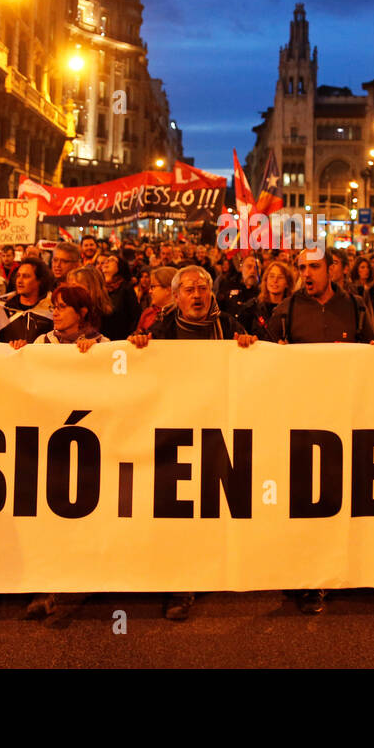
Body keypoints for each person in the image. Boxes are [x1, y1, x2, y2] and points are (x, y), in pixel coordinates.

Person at [124, 264, 256, 622]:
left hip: (220, 429)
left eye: (202, 289)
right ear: (176, 296)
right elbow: (141, 372)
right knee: (178, 508)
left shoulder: (229, 326)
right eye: (188, 290)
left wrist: (249, 347)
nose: (196, 296)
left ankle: (216, 568)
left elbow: (257, 365)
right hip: (176, 432)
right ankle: (179, 584)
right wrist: (139, 347)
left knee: (215, 505)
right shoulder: (162, 331)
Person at [266, 248, 374, 614]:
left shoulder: (357, 307)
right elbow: (262, 356)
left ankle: (341, 571)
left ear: (333, 269)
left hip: (346, 420)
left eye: (314, 267)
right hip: (302, 422)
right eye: (301, 267)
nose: (306, 273)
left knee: (339, 497)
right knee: (304, 499)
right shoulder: (289, 310)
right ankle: (307, 581)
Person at [0, 257, 55, 344]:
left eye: (26, 276)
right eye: (18, 276)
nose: (19, 281)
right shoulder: (3, 306)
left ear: (40, 280)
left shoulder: (52, 308)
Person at [28, 284, 109, 350]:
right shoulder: (42, 342)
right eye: (54, 307)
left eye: (62, 307)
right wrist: (21, 350)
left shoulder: (102, 343)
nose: (55, 313)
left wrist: (96, 350)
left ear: (82, 312)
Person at [240, 260, 295, 341]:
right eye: (271, 276)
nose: (275, 280)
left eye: (280, 277)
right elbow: (241, 332)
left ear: (287, 283)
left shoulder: (293, 309)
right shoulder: (252, 306)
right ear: (266, 280)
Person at [97, 252, 140, 339]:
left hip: (120, 341)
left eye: (112, 260)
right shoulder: (98, 287)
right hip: (100, 342)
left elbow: (135, 316)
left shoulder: (126, 288)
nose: (106, 262)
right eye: (106, 260)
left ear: (120, 267)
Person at [137, 266, 177, 333]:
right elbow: (136, 336)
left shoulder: (183, 317)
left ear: (168, 289)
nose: (150, 291)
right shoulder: (147, 313)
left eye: (153, 287)